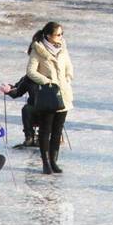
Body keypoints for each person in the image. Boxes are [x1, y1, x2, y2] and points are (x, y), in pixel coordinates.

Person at [26, 22, 73, 174]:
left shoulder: (63, 49)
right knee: (46, 130)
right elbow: (31, 72)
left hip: (63, 94)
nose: (61, 37)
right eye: (58, 34)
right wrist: (47, 81)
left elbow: (69, 66)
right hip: (48, 95)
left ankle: (54, 161)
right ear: (48, 36)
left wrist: (68, 77)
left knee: (57, 131)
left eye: (62, 34)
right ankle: (45, 162)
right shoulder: (38, 50)